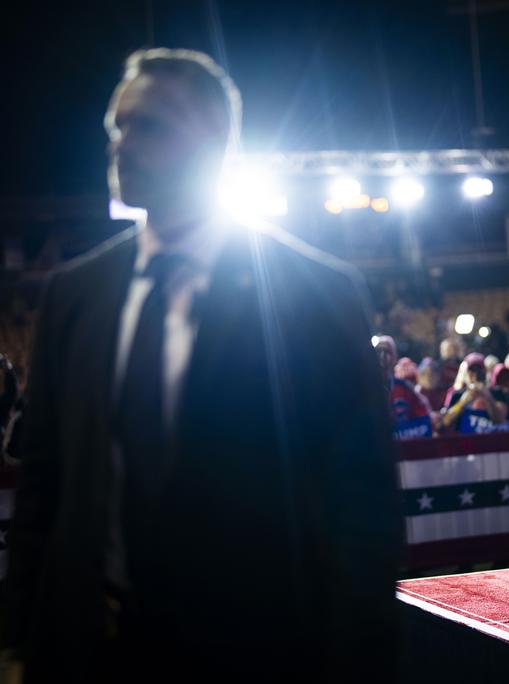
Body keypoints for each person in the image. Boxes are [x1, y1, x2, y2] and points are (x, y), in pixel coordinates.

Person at [3, 48, 401, 683]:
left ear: (215, 141)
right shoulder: (73, 293)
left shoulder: (314, 293)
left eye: (149, 126)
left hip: (257, 648)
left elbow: (361, 505)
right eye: (117, 127)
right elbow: (43, 485)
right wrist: (21, 643)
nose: (123, 145)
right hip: (85, 646)